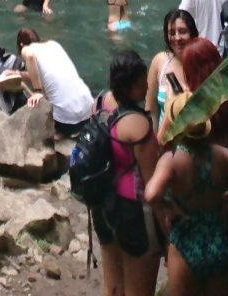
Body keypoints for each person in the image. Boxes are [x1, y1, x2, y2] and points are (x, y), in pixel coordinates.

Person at [146, 87, 228, 295]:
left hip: (184, 243)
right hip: (216, 240)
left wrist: (169, 207)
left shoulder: (171, 161)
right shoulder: (220, 155)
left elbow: (151, 194)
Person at [95, 49, 162, 296]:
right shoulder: (139, 126)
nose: (147, 87)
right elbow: (151, 186)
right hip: (133, 213)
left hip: (102, 206)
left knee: (113, 286)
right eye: (143, 83)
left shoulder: (100, 104)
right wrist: (167, 234)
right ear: (131, 87)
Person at [14, 27, 94, 133]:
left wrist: (37, 91)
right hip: (89, 113)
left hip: (67, 123)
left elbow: (29, 56)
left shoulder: (27, 49)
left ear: (21, 44)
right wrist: (19, 74)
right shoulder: (53, 44)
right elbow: (48, 75)